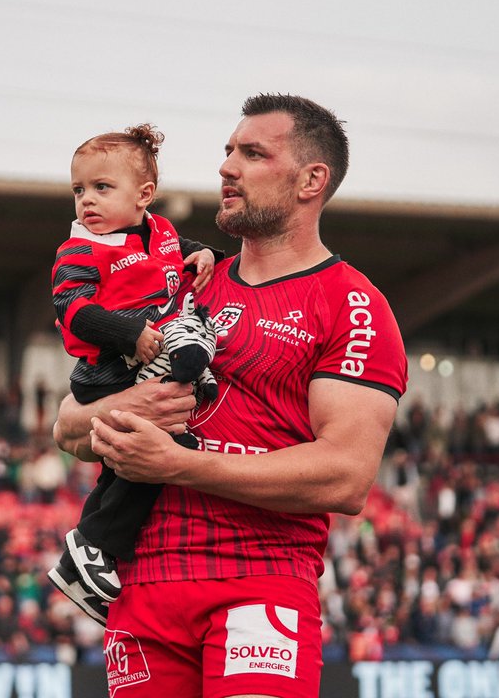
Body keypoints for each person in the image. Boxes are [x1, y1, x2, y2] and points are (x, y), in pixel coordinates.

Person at [54, 94, 407, 697]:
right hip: (144, 590)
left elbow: (345, 476)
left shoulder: (352, 303)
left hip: (260, 582)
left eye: (252, 153)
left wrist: (181, 465)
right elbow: (68, 427)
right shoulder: (182, 282)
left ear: (311, 180)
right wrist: (128, 410)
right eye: (227, 151)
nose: (227, 167)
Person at [47, 123, 220, 626]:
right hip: (105, 369)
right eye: (79, 190)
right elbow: (72, 311)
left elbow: (179, 249)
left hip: (146, 359)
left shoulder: (159, 233)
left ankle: (87, 554)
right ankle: (94, 543)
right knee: (158, 451)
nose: (87, 201)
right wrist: (129, 333)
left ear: (145, 196)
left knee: (157, 451)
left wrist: (207, 253)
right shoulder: (79, 249)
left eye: (102, 188)